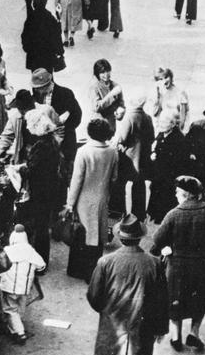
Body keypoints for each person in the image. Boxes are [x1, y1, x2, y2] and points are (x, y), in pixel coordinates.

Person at [88, 214, 166, 355]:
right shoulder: (153, 263)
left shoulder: (105, 262)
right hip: (143, 328)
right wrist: (160, 328)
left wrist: (107, 313)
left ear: (120, 237)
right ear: (140, 237)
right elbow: (161, 299)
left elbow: (94, 296)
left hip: (112, 327)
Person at [151, 176, 205, 352]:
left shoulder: (174, 214)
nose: (176, 195)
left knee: (175, 300)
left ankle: (176, 335)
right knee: (199, 300)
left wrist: (162, 250)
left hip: (177, 266)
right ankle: (194, 332)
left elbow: (157, 240)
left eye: (178, 192)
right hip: (203, 266)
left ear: (185, 195)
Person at [65, 118, 119, 282]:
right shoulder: (112, 152)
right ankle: (94, 271)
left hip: (84, 198)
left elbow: (77, 180)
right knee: (98, 234)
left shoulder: (83, 151)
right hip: (102, 196)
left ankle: (77, 269)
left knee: (82, 233)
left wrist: (70, 202)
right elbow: (114, 177)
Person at [14, 109, 61, 266]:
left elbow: (32, 170)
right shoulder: (51, 141)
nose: (27, 127)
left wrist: (19, 169)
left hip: (40, 191)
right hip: (50, 189)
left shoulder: (40, 146)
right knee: (42, 225)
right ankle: (41, 260)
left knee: (40, 226)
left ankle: (40, 262)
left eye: (29, 124)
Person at [31, 68, 82, 203]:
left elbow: (77, 117)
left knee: (65, 178)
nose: (37, 91)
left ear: (47, 84)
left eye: (39, 88)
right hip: (46, 147)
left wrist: (61, 129)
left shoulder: (66, 94)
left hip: (65, 144)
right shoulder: (36, 95)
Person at [0, 224, 46, 344]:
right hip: (25, 288)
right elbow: (41, 266)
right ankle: (18, 327)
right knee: (20, 309)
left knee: (10, 309)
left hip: (9, 287)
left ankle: (20, 333)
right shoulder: (30, 251)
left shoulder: (7, 251)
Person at [114, 95, 155, 220]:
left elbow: (122, 138)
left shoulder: (130, 117)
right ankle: (139, 214)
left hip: (129, 158)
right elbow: (152, 137)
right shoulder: (147, 117)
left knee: (120, 184)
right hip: (142, 157)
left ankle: (119, 211)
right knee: (139, 185)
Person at [148, 110, 192, 223]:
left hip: (170, 176)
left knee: (166, 198)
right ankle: (156, 216)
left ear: (173, 124)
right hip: (159, 173)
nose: (160, 124)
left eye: (164, 122)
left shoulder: (179, 139)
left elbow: (180, 161)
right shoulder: (162, 133)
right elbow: (157, 147)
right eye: (160, 121)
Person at [21, 0, 66, 71]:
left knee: (36, 77)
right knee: (47, 78)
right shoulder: (49, 18)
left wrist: (28, 49)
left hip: (34, 56)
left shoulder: (31, 18)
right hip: (48, 56)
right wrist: (60, 51)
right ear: (45, 3)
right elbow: (57, 35)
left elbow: (24, 36)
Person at [88, 59, 125, 132]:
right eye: (102, 72)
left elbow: (121, 104)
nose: (106, 74)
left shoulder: (115, 86)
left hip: (111, 125)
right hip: (98, 125)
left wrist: (121, 113)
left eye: (108, 71)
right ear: (97, 74)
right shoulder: (94, 88)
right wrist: (110, 95)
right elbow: (96, 108)